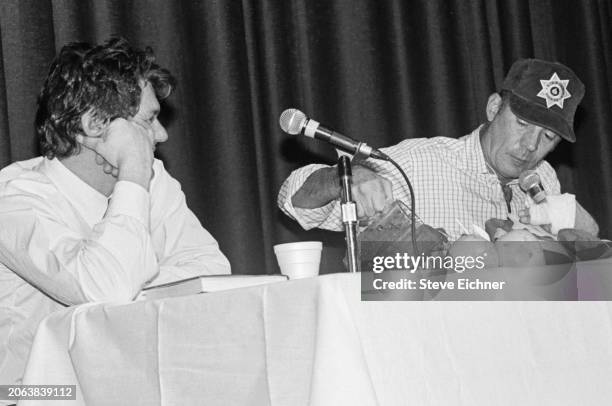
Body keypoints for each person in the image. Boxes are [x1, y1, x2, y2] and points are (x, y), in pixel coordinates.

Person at [0, 38, 230, 388]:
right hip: (33, 394)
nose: (162, 134)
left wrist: (134, 281)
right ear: (95, 124)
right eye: (149, 119)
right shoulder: (13, 200)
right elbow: (107, 289)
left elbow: (212, 271)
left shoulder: (154, 180)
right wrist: (133, 174)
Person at [278, 59, 599, 240]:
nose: (530, 146)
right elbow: (294, 202)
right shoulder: (419, 164)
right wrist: (346, 177)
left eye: (548, 137)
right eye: (522, 124)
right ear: (493, 108)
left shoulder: (543, 180)